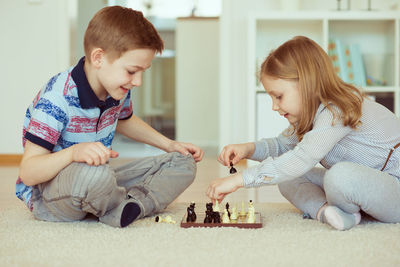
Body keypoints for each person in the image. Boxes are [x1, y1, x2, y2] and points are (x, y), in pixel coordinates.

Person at [17, 6, 204, 228]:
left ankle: (126, 205)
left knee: (183, 162)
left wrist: (169, 144)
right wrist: (74, 153)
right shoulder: (56, 99)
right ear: (98, 58)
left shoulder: (116, 88)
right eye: (132, 71)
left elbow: (124, 120)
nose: (138, 82)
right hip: (50, 194)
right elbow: (28, 173)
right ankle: (119, 204)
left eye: (143, 72)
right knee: (96, 176)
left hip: (98, 179)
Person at [206, 36, 400, 230]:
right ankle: (329, 212)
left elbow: (302, 158)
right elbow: (281, 146)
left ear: (308, 84)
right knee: (289, 177)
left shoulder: (338, 109)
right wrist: (248, 149)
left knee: (338, 175)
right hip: (361, 187)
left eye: (279, 96)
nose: (274, 106)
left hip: (394, 188)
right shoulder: (310, 115)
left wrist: (240, 180)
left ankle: (351, 207)